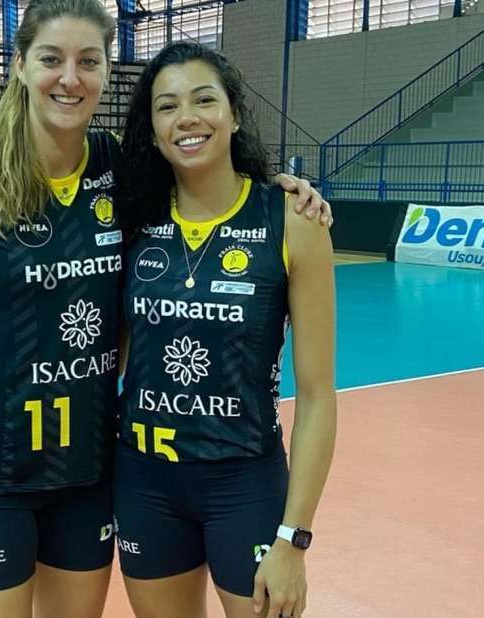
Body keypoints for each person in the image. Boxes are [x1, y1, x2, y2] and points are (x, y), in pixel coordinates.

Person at [0, 1, 330, 616]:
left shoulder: (118, 169)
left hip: (89, 471)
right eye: (52, 59)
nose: (69, 78)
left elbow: (206, 168)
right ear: (20, 65)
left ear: (107, 72)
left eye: (89, 61)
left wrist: (288, 188)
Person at [115, 41, 337, 618]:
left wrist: (294, 538)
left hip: (245, 485)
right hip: (144, 483)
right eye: (166, 107)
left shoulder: (292, 220)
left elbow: (316, 395)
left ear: (234, 114)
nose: (186, 117)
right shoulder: (134, 218)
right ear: (154, 130)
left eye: (203, 100)